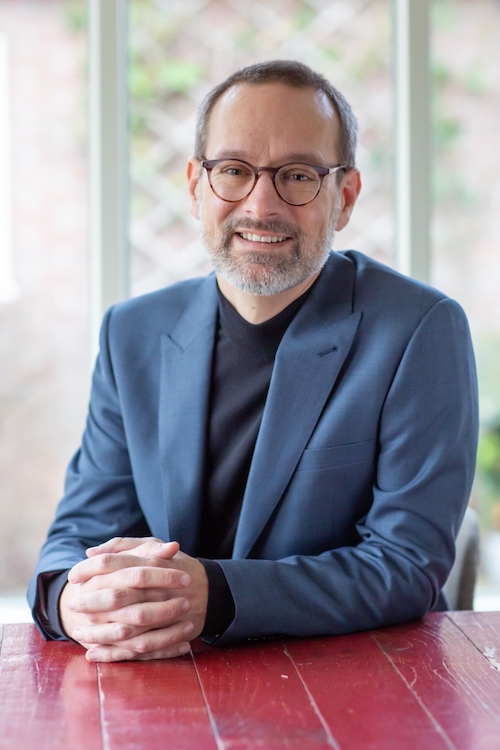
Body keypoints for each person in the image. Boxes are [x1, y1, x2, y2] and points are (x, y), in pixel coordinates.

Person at [28, 60, 478, 662]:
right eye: (234, 170)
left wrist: (213, 595)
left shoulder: (419, 330)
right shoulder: (132, 333)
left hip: (353, 679)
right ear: (196, 186)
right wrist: (71, 599)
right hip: (163, 678)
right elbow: (79, 535)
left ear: (344, 198)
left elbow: (405, 565)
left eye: (298, 176)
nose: (261, 205)